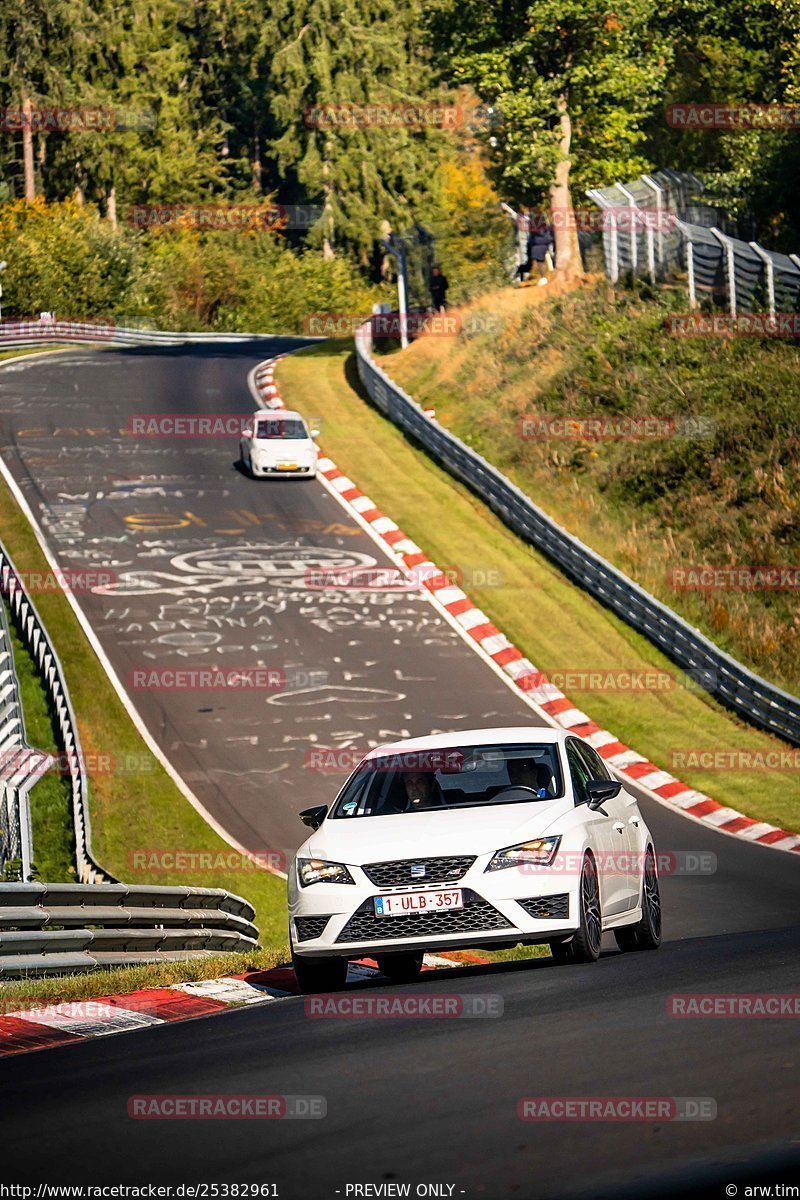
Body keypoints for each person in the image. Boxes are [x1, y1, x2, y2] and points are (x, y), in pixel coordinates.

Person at [527, 218, 555, 286]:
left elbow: (540, 233)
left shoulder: (540, 226)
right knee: (541, 260)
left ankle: (544, 277)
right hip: (539, 243)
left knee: (540, 260)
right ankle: (545, 275)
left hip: (540, 244)